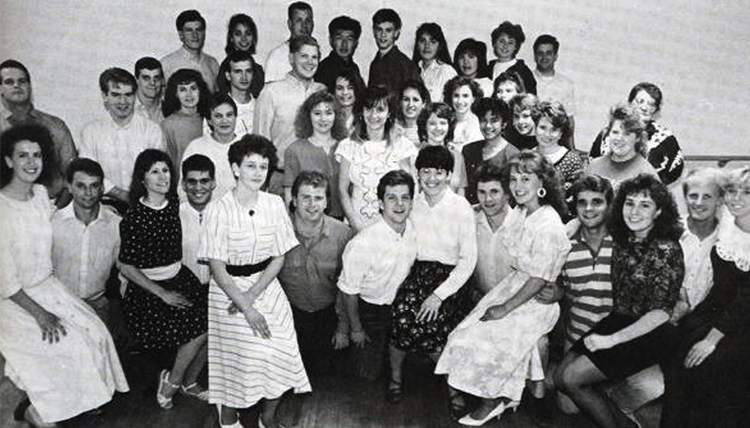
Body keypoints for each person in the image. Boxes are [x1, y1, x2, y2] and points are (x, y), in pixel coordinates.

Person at [0, 124, 128, 427]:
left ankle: (74, 401)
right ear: (8, 161)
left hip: (48, 286)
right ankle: (37, 411)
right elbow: (5, 279)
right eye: (23, 156)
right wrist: (41, 315)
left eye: (37, 155)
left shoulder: (41, 194)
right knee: (64, 344)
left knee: (94, 333)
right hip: (13, 300)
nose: (31, 162)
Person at [435, 150, 570, 425]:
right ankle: (492, 395)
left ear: (541, 183)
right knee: (463, 334)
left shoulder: (548, 222)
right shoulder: (524, 213)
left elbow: (538, 279)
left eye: (526, 179)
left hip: (533, 301)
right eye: (514, 179)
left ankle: (492, 400)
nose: (519, 186)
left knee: (491, 337)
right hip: (513, 290)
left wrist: (503, 309)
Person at [555, 174, 684, 428]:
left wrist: (610, 341)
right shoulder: (625, 236)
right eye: (629, 203)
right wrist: (572, 223)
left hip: (651, 332)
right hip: (619, 319)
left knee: (572, 379)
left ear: (658, 211)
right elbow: (589, 219)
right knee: (560, 377)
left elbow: (660, 314)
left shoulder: (666, 248)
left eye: (644, 205)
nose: (634, 212)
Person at [199, 135, 310, 428]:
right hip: (228, 292)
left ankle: (267, 418)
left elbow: (278, 258)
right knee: (246, 356)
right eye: (250, 166)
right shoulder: (217, 210)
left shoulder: (274, 204)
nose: (258, 172)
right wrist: (245, 306)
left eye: (263, 166)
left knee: (282, 351)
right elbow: (217, 268)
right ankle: (228, 416)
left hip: (265, 285)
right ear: (235, 169)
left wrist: (253, 296)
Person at [660, 166, 750, 428]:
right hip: (721, 312)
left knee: (713, 363)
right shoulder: (729, 228)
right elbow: (721, 291)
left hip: (743, 322)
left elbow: (745, 300)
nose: (736, 198)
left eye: (746, 192)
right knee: (680, 346)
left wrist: (710, 339)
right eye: (732, 191)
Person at [119, 149, 209, 409]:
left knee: (213, 322)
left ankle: (189, 382)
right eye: (154, 171)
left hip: (180, 278)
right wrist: (162, 293)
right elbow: (126, 266)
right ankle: (171, 379)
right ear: (143, 179)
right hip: (150, 290)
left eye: (166, 170)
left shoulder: (174, 207)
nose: (162, 176)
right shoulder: (135, 216)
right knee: (199, 327)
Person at [390, 146, 477, 404]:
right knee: (401, 312)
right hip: (417, 273)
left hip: (451, 279)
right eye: (425, 171)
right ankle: (395, 378)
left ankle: (454, 389)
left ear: (449, 175)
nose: (431, 178)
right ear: (417, 174)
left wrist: (439, 295)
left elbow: (468, 260)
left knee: (434, 320)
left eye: (438, 172)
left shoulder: (461, 207)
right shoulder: (412, 204)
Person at [338, 170, 417, 380]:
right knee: (368, 375)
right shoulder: (363, 243)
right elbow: (348, 291)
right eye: (392, 198)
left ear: (411, 202)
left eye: (405, 198)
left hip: (402, 307)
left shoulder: (415, 231)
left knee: (413, 371)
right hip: (370, 311)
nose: (399, 204)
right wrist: (355, 329)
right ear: (381, 203)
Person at [278, 171, 354, 376]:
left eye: (318, 198)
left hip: (329, 314)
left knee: (330, 374)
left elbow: (347, 287)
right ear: (294, 200)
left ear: (327, 202)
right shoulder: (278, 231)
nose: (312, 204)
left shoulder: (344, 235)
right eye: (305, 197)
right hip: (290, 315)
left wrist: (343, 328)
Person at [335, 86, 417, 231]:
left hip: (392, 226)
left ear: (389, 113)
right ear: (362, 112)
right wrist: (356, 225)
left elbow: (411, 190)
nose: (374, 115)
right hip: (356, 226)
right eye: (369, 109)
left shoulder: (402, 146)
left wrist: (398, 223)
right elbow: (342, 190)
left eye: (380, 110)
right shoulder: (348, 146)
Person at [80, 68, 164, 204]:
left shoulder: (152, 130)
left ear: (135, 95)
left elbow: (157, 173)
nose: (123, 101)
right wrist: (122, 195)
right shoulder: (90, 132)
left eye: (128, 95)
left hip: (145, 203)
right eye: (116, 95)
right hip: (104, 204)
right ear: (104, 96)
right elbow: (88, 173)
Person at [51, 158, 120, 325]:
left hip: (97, 308)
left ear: (102, 188)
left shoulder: (116, 225)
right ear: (69, 186)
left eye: (94, 186)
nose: (88, 193)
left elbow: (126, 272)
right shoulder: (52, 222)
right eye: (81, 186)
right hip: (57, 306)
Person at [254, 35, 326, 195]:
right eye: (304, 56)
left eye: (314, 57)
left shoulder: (322, 91)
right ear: (291, 58)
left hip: (317, 183)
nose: (310, 62)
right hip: (280, 180)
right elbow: (260, 143)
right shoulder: (271, 92)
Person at [0, 59, 77, 206]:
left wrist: (56, 211)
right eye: (9, 82)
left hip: (52, 205)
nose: (17, 85)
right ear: (0, 89)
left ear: (29, 86)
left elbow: (72, 176)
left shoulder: (55, 126)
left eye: (22, 81)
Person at [590, 82, 684, 186]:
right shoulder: (608, 133)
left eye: (651, 104)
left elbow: (674, 174)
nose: (644, 108)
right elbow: (594, 162)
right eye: (640, 101)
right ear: (630, 103)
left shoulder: (666, 138)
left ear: (656, 109)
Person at [670, 168, 724, 324]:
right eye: (693, 195)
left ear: (719, 201)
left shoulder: (727, 240)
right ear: (685, 198)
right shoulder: (669, 231)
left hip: (706, 323)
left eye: (707, 196)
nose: (699, 203)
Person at [284, 90, 347, 218]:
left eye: (328, 113)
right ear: (308, 116)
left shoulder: (347, 147)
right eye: (317, 113)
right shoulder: (294, 150)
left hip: (343, 222)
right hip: (308, 220)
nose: (323, 119)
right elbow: (289, 195)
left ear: (336, 116)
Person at [469, 162, 515, 306]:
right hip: (479, 304)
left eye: (494, 192)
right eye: (482, 192)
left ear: (507, 194)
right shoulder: (470, 222)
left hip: (516, 306)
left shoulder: (523, 226)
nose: (487, 199)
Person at [182, 93, 241, 201]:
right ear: (209, 121)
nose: (225, 121)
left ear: (235, 117)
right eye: (218, 116)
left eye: (229, 115)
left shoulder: (246, 147)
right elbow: (184, 189)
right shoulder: (196, 147)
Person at [586, 104, 659, 189]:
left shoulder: (647, 174)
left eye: (627, 134)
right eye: (615, 132)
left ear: (637, 138)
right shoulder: (594, 166)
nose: (619, 138)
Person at [462, 97, 520, 204]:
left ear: (504, 124)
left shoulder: (513, 155)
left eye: (494, 121)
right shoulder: (468, 150)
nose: (488, 126)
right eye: (483, 120)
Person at [533, 34, 576, 149]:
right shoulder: (527, 78)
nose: (544, 57)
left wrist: (572, 148)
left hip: (556, 141)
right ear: (535, 56)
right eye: (540, 53)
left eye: (549, 53)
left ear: (555, 56)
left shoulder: (566, 84)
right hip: (532, 141)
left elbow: (569, 120)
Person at [161, 9, 220, 92]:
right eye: (189, 30)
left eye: (198, 30)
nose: (194, 35)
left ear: (204, 33)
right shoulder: (167, 64)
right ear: (181, 35)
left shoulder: (212, 63)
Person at [161, 68, 210, 167]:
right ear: (176, 94)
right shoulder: (168, 124)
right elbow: (168, 162)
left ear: (200, 90)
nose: (189, 94)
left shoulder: (210, 119)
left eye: (193, 88)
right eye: (183, 90)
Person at [180, 154, 216, 286]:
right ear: (184, 184)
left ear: (213, 183)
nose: (198, 187)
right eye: (192, 181)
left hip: (219, 293)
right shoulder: (174, 217)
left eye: (204, 181)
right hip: (184, 292)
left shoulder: (225, 215)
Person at [416, 102, 468, 194]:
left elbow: (460, 194)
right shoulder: (415, 153)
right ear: (424, 126)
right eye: (432, 123)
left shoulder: (457, 157)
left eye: (443, 123)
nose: (438, 128)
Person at [367, 8, 421, 96]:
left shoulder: (406, 65)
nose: (383, 35)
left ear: (396, 33)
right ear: (373, 31)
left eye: (388, 30)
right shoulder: (375, 63)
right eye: (379, 29)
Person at [534, 100, 583, 196]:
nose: (547, 134)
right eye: (543, 128)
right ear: (535, 128)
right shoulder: (526, 157)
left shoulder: (572, 161)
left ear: (561, 133)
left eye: (554, 130)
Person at [264, 1, 314, 83]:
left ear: (313, 24)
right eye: (299, 20)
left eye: (308, 20)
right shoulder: (276, 56)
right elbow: (270, 93)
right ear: (290, 24)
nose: (304, 25)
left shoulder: (314, 54)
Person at [218, 13, 265, 98]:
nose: (244, 38)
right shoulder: (226, 68)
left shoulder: (258, 69)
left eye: (248, 33)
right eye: (238, 34)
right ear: (231, 38)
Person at [315, 15, 365, 91]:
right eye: (339, 38)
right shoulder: (323, 69)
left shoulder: (354, 68)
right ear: (331, 40)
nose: (344, 44)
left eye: (349, 39)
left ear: (356, 43)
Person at [412, 23, 457, 103]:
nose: (427, 46)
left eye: (433, 42)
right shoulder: (410, 69)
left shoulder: (446, 71)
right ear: (417, 44)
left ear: (439, 46)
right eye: (423, 41)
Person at [488, 21, 536, 94]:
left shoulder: (523, 72)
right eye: (501, 41)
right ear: (494, 43)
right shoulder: (487, 69)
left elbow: (530, 101)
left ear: (516, 47)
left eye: (510, 42)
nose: (505, 46)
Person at [217, 50, 257, 135]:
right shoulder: (218, 108)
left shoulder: (261, 105)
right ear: (228, 76)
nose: (244, 77)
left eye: (248, 71)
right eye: (238, 71)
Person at [443, 76, 484, 151]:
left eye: (465, 96)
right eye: (456, 95)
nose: (460, 101)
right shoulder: (448, 121)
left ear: (473, 99)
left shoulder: (476, 124)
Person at [396, 79, 431, 146]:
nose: (410, 104)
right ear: (400, 102)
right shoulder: (393, 129)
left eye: (415, 100)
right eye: (406, 99)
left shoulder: (429, 130)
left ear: (423, 104)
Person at [331, 68, 364, 135]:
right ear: (333, 91)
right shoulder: (328, 117)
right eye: (340, 88)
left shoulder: (365, 118)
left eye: (350, 88)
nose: (345, 92)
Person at [133, 57, 165, 123]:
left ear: (162, 81)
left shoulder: (170, 108)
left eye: (156, 78)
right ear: (136, 80)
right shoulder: (126, 107)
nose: (152, 83)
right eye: (146, 78)